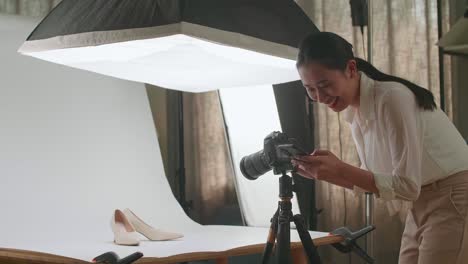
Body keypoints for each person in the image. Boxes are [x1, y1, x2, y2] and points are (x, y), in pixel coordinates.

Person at [291, 31, 468, 264]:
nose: (320, 97)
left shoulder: (391, 98)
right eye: (310, 89)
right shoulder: (357, 112)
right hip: (422, 201)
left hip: (454, 196)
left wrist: (339, 167)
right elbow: (374, 182)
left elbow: (406, 186)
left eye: (324, 85)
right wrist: (325, 172)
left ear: (351, 69)